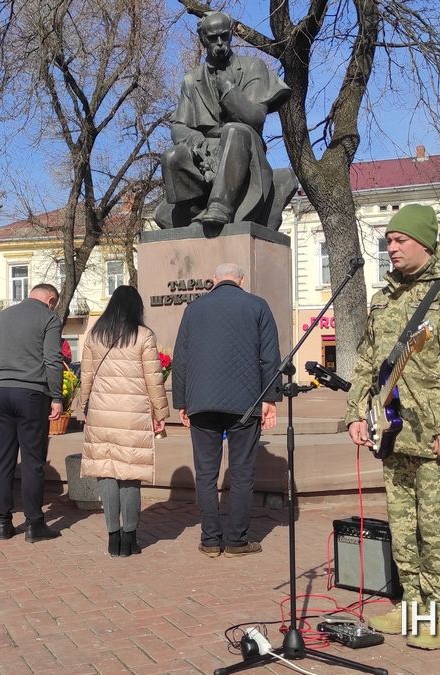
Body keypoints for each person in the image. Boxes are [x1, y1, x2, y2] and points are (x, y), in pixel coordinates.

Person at [344, 204, 440, 650]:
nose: (392, 247)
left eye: (401, 239)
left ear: (425, 241)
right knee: (403, 530)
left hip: (436, 436)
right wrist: (356, 413)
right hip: (393, 434)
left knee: (437, 530)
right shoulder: (384, 297)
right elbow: (368, 362)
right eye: (388, 240)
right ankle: (412, 603)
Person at [173, 263, 280, 558]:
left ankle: (210, 540)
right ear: (241, 280)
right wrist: (270, 398)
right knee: (242, 473)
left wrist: (182, 402)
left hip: (201, 402)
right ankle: (236, 541)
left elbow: (181, 358)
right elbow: (270, 357)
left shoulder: (194, 309)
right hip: (245, 402)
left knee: (206, 473)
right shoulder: (257, 306)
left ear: (214, 280)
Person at [156, 11, 293, 229]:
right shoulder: (191, 81)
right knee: (172, 157)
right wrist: (196, 141)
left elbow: (255, 117)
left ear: (231, 34)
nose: (219, 43)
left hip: (245, 148)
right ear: (203, 39)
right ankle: (195, 214)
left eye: (224, 36)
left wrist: (228, 89)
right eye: (213, 38)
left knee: (234, 130)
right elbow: (179, 127)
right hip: (205, 152)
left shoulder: (253, 67)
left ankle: (220, 206)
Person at [79, 286, 170, 557]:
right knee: (130, 474)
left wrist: (84, 406)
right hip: (132, 414)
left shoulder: (95, 335)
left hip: (101, 413)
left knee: (106, 472)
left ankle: (112, 537)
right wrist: (160, 414)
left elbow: (86, 376)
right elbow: (154, 379)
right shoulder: (143, 335)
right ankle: (130, 538)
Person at [0, 283, 64, 542]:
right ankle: (34, 523)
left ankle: (3, 523)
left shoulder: (0, 317)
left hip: (1, 392)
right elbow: (52, 360)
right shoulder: (49, 318)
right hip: (32, 392)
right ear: (51, 301)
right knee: (32, 460)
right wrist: (56, 396)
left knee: (2, 459)